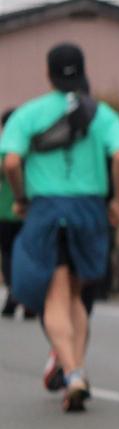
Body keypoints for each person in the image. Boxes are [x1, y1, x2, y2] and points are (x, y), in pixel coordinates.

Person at [0, 44, 119, 412]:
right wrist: (117, 200)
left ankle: (72, 372)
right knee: (75, 295)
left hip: (46, 209)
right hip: (89, 209)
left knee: (55, 295)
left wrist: (21, 195)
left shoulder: (29, 114)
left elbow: (11, 161)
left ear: (48, 73)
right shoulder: (102, 114)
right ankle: (77, 368)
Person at [0, 108, 20, 318]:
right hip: (30, 211)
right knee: (30, 255)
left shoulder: (5, 148)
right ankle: (28, 300)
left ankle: (14, 293)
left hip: (6, 211)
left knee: (8, 255)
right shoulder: (31, 147)